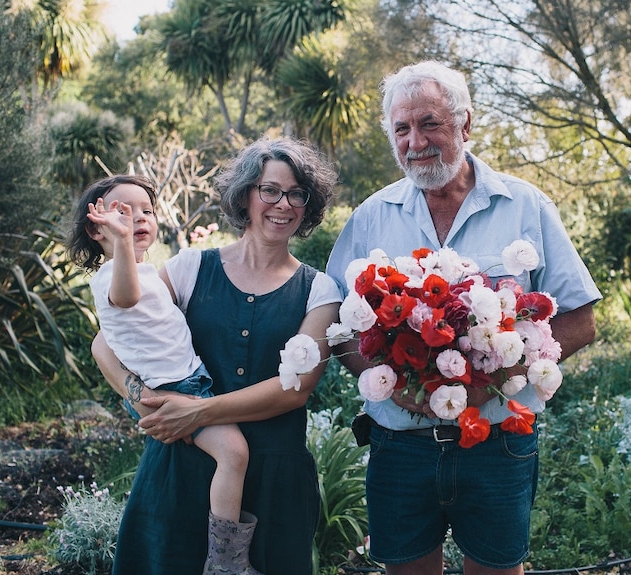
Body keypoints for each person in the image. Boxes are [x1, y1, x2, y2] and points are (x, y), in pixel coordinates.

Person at [325, 61, 602, 575]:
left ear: (465, 124)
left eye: (430, 123)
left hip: (498, 442)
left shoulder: (526, 207)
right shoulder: (371, 216)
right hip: (401, 443)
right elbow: (338, 328)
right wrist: (387, 382)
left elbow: (580, 320)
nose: (415, 142)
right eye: (401, 129)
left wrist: (496, 379)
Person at [91, 138, 341, 575]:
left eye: (297, 194)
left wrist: (197, 411)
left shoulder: (320, 291)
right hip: (178, 470)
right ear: (245, 194)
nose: (283, 204)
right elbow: (106, 340)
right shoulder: (190, 267)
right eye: (270, 189)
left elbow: (294, 389)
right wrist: (141, 395)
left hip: (274, 480)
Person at [66, 174, 261, 574]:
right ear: (95, 227)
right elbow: (126, 296)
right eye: (122, 212)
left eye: (146, 211)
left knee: (228, 455)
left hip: (189, 381)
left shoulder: (150, 272)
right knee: (234, 452)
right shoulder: (112, 279)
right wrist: (120, 242)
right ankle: (226, 563)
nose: (136, 219)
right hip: (172, 390)